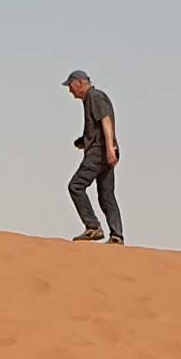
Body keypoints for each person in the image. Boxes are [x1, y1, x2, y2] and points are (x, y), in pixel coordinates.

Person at [62, 69, 121, 243]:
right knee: (106, 195)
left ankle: (93, 227)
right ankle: (117, 236)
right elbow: (98, 126)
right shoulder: (92, 99)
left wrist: (109, 148)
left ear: (79, 83)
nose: (70, 91)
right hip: (101, 150)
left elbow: (106, 121)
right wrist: (84, 140)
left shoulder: (94, 97)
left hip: (99, 152)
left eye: (70, 86)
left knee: (76, 186)